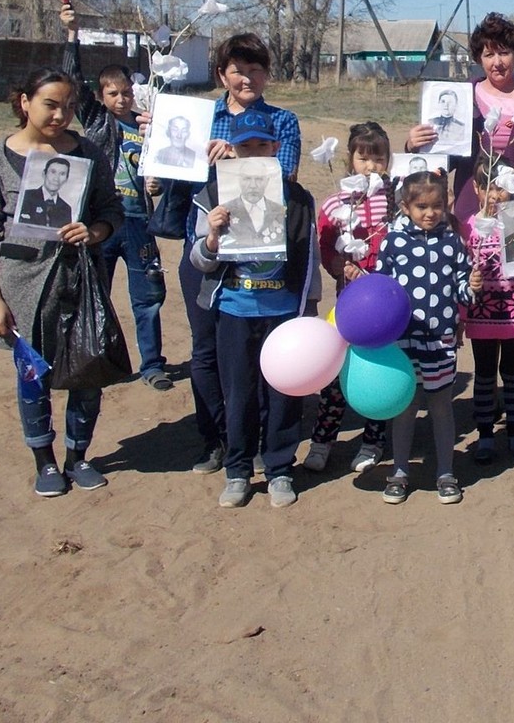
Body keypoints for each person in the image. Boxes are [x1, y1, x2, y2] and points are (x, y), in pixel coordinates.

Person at [0, 68, 124, 498]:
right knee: (32, 376)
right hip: (24, 288)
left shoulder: (88, 153)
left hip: (81, 283)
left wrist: (94, 233)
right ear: (24, 102)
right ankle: (45, 462)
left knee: (87, 371)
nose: (61, 115)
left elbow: (112, 211)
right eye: (50, 104)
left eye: (69, 105)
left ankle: (78, 457)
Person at [176, 32, 303, 476]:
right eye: (237, 69)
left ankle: (264, 450)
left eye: (255, 69)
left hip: (260, 251)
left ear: (267, 74)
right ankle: (218, 442)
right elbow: (178, 170)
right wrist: (158, 150)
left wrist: (237, 163)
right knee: (207, 351)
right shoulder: (197, 116)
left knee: (260, 356)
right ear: (221, 74)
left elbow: (283, 173)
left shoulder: (281, 121)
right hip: (208, 242)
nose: (246, 78)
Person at [188, 111, 321, 508]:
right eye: (245, 146)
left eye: (262, 145)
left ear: (276, 149)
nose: (254, 153)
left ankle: (280, 468)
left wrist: (307, 307)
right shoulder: (214, 194)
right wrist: (212, 236)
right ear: (233, 149)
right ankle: (238, 470)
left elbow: (309, 256)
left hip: (283, 312)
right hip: (235, 308)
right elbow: (199, 260)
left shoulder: (297, 199)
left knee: (283, 393)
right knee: (240, 394)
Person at [61, 2, 170, 390]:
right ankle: (97, 358)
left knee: (148, 295)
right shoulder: (94, 119)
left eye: (126, 92)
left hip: (139, 221)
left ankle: (153, 364)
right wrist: (71, 35)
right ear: (101, 96)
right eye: (113, 93)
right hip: (101, 223)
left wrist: (159, 185)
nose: (121, 99)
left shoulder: (148, 124)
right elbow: (71, 79)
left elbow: (169, 165)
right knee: (97, 295)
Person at [377, 171, 477, 505]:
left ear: (446, 204)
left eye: (436, 205)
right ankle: (400, 471)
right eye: (421, 206)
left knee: (440, 406)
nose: (430, 213)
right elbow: (381, 288)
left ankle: (446, 472)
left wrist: (471, 287)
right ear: (405, 207)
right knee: (405, 407)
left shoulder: (453, 241)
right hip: (403, 340)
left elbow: (463, 290)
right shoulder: (393, 241)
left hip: (441, 340)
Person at [404, 12, 514, 229]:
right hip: (474, 211)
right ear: (478, 58)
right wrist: (415, 145)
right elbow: (441, 162)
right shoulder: (463, 99)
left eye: (504, 53)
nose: (497, 62)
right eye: (489, 55)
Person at [307, 121, 395, 473]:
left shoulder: (396, 201)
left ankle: (374, 441)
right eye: (363, 158)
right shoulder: (335, 202)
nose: (371, 166)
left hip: (386, 303)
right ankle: (321, 440)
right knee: (336, 375)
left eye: (379, 159)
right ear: (350, 159)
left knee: (379, 373)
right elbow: (325, 247)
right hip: (348, 303)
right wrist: (341, 266)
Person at [465, 162, 514, 465]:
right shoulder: (468, 226)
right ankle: (485, 435)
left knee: (512, 375)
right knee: (484, 376)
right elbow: (461, 269)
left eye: (501, 187)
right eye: (489, 188)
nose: (495, 195)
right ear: (476, 189)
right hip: (482, 313)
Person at [220, 163, 286, 251]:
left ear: (267, 181)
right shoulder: (224, 210)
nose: (253, 185)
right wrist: (212, 236)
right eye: (247, 178)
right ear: (239, 180)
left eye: (259, 179)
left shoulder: (279, 210)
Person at [17, 157, 74, 229]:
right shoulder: (26, 196)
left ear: (66, 179)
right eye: (53, 172)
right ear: (44, 174)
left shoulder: (66, 208)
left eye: (62, 174)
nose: (56, 178)